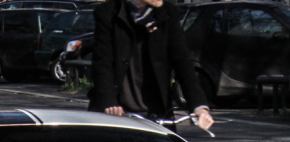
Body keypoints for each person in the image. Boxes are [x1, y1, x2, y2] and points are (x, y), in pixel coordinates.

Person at [89, 0, 214, 131]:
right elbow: (102, 62)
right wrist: (109, 101)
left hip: (156, 112)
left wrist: (199, 106)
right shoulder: (108, 12)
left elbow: (182, 62)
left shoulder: (168, 12)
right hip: (117, 112)